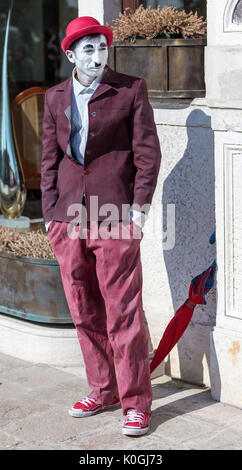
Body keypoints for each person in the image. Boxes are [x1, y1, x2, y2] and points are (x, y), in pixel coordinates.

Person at [41, 16, 162, 437]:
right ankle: (101, 387)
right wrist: (50, 214)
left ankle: (136, 403)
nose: (96, 56)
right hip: (68, 217)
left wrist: (139, 214)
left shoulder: (130, 89)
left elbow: (148, 155)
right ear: (72, 55)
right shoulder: (55, 97)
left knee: (123, 311)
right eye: (87, 49)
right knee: (82, 308)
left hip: (116, 216)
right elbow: (49, 161)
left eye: (102, 48)